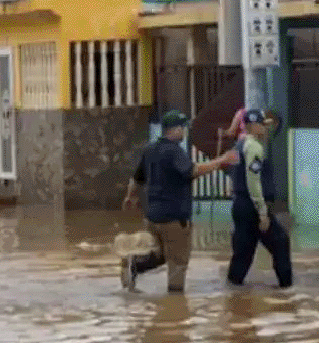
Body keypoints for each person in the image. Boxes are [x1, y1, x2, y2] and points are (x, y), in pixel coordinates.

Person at [121, 110, 238, 293]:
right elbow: (192, 171)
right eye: (183, 128)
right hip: (175, 218)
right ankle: (175, 308)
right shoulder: (174, 151)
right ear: (174, 129)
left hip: (152, 218)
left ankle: (133, 265)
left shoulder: (150, 149)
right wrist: (221, 160)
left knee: (159, 256)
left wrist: (130, 197)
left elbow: (136, 179)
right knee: (178, 264)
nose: (184, 132)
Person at [226, 109, 293, 289]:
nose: (265, 128)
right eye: (262, 124)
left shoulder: (239, 145)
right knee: (280, 242)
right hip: (252, 206)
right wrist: (262, 212)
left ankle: (233, 292)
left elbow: (233, 175)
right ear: (253, 126)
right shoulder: (254, 147)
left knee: (243, 252)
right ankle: (287, 290)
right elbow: (253, 182)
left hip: (240, 204)